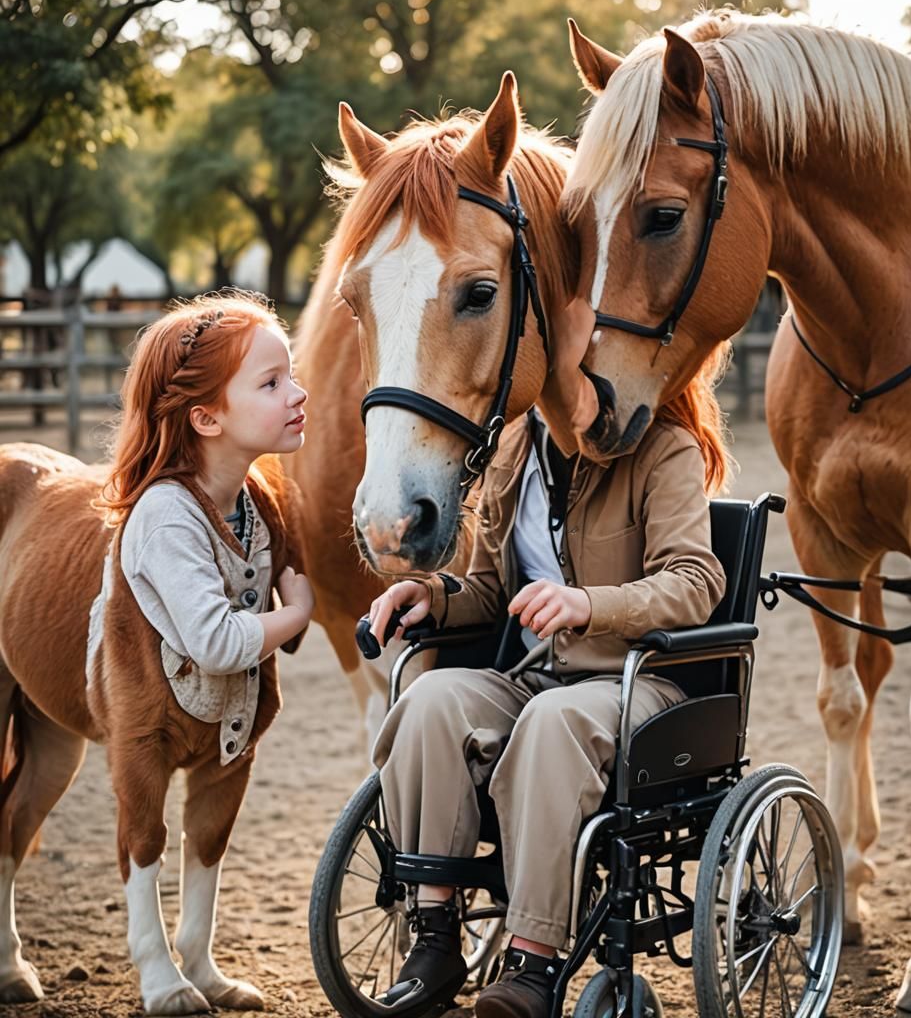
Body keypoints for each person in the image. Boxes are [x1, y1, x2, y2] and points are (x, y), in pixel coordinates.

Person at [366, 304, 732, 1018]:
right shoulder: (512, 449)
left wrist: (589, 604)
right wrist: (429, 596)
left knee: (552, 724)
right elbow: (490, 590)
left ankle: (532, 964)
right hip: (539, 675)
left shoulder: (664, 451)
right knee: (431, 699)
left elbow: (696, 582)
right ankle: (436, 935)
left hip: (639, 683)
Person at [91, 290, 315, 767]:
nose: (299, 394)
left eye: (291, 375)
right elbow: (216, 643)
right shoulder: (167, 517)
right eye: (271, 384)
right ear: (207, 418)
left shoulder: (255, 499)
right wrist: (296, 614)